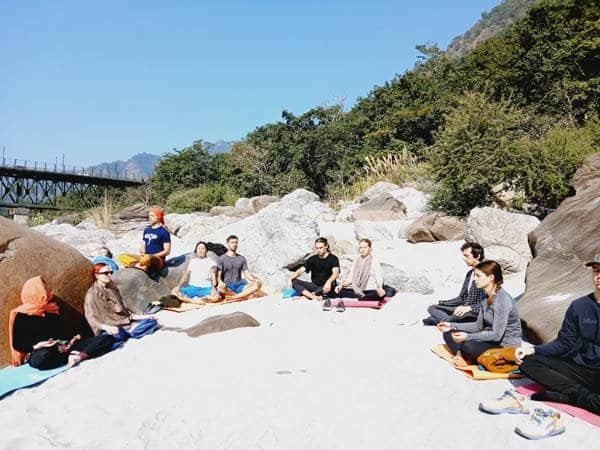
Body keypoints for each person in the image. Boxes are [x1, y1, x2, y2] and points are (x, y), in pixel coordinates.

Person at [511, 254, 600, 414]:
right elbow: (564, 343)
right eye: (596, 270)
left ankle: (571, 396)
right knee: (528, 362)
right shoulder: (579, 306)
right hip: (580, 370)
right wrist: (533, 350)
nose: (598, 277)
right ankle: (580, 396)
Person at [9, 276, 115, 369]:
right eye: (46, 289)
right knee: (41, 359)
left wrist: (74, 337)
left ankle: (78, 356)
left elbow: (62, 331)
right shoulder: (22, 315)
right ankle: (77, 355)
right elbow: (18, 344)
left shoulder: (51, 309)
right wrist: (37, 345)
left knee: (107, 338)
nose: (50, 290)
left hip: (63, 347)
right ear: (38, 293)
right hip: (43, 351)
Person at [437, 260, 522, 367]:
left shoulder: (502, 300)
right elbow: (478, 325)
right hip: (490, 341)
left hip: (505, 346)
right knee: (449, 333)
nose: (474, 279)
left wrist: (468, 336)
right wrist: (451, 325)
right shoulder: (486, 297)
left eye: (478, 276)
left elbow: (496, 335)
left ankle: (466, 356)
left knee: (468, 345)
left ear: (491, 277)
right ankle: (463, 355)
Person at [84, 263, 158, 340]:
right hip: (109, 327)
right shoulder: (92, 295)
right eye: (106, 273)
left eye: (111, 272)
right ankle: (126, 334)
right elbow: (91, 318)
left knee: (152, 321)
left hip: (123, 322)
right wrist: (106, 327)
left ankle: (128, 333)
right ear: (97, 275)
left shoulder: (112, 287)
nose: (109, 275)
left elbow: (125, 311)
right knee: (114, 335)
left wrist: (142, 317)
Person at [423, 242, 486, 325]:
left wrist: (469, 308)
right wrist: (440, 302)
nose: (464, 258)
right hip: (461, 308)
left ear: (477, 256)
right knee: (432, 308)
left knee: (455, 315)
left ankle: (445, 320)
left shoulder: (486, 274)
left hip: (474, 312)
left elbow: (488, 303)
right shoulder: (470, 274)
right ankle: (448, 320)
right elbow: (461, 298)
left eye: (466, 256)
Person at [117, 207, 171, 274]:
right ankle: (140, 266)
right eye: (149, 216)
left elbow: (167, 251)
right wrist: (142, 250)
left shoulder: (164, 232)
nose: (149, 217)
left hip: (157, 260)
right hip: (145, 257)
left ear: (158, 217)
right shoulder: (147, 230)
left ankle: (139, 264)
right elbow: (143, 244)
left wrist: (154, 255)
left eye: (152, 216)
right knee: (121, 257)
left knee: (147, 258)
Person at [216, 235, 262, 301]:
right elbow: (218, 275)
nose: (234, 244)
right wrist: (220, 282)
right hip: (227, 286)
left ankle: (235, 297)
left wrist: (255, 279)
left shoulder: (241, 258)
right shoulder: (221, 259)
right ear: (227, 244)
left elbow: (247, 273)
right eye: (232, 242)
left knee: (257, 284)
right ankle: (243, 296)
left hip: (239, 285)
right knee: (220, 289)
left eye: (236, 242)